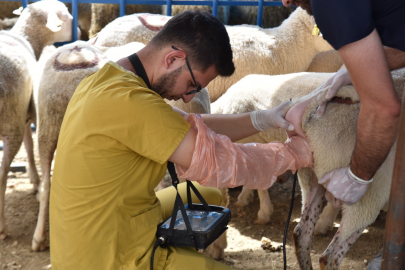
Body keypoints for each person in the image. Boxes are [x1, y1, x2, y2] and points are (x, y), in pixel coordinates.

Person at [49, 10, 313, 270]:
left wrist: (263, 118)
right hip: (107, 255)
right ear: (173, 58)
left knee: (208, 195)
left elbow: (192, 126)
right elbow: (219, 163)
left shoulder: (111, 79)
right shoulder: (130, 102)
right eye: (191, 84)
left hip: (105, 222)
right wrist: (294, 155)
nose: (189, 98)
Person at [281, 0, 405, 269]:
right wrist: (350, 72)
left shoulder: (331, 4)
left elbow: (385, 109)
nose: (285, 2)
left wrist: (356, 177)